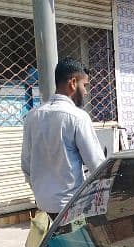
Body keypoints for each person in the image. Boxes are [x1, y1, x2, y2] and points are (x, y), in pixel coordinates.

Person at [21, 57, 105, 221]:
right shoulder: (78, 117)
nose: (86, 92)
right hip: (70, 207)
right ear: (73, 83)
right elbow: (97, 166)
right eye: (85, 85)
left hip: (43, 206)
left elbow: (26, 165)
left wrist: (41, 192)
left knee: (53, 245)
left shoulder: (32, 116)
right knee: (77, 245)